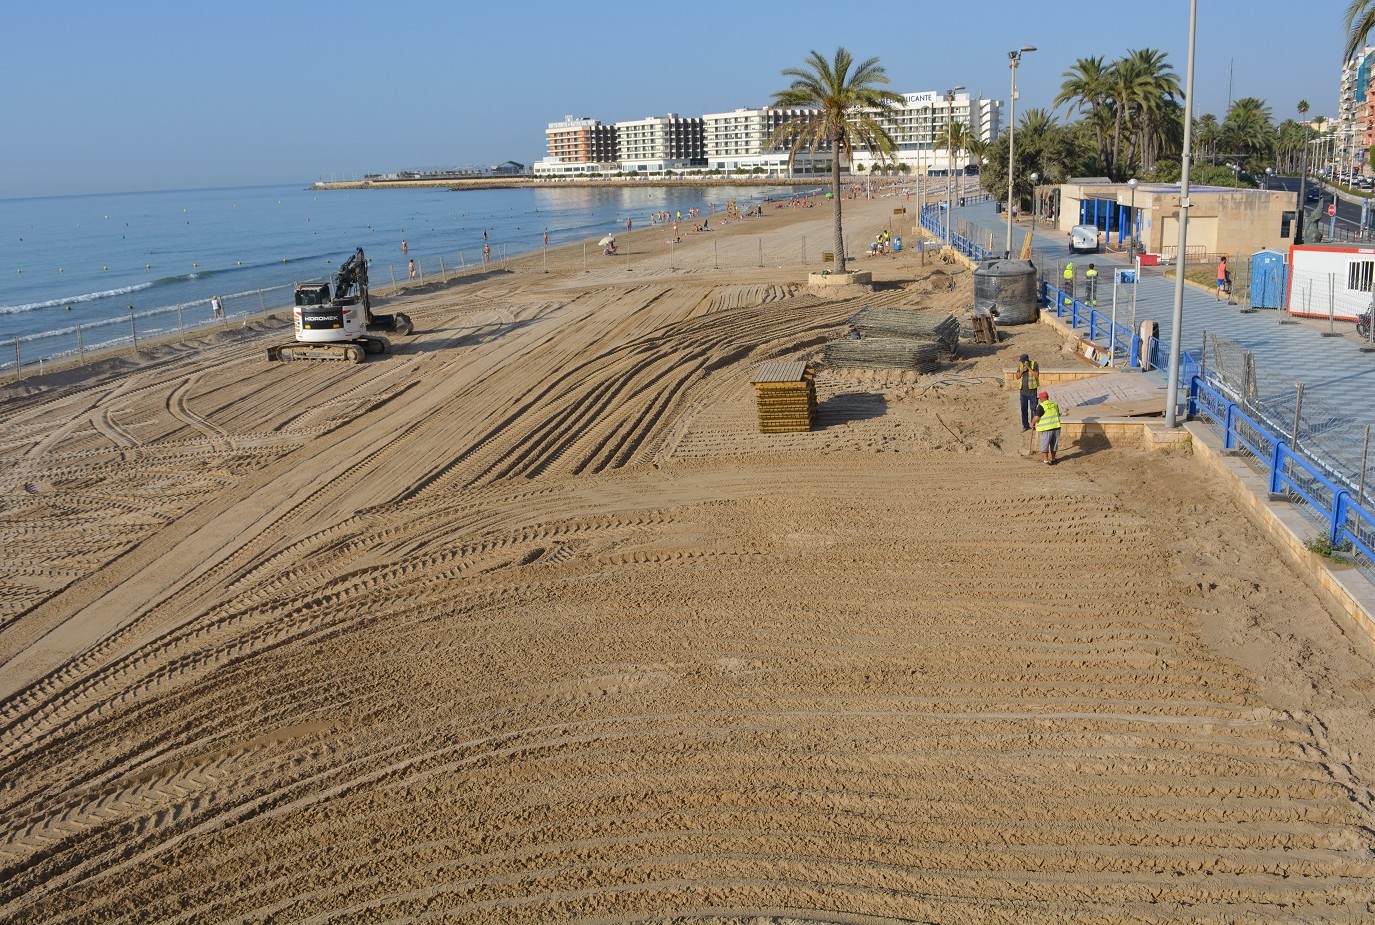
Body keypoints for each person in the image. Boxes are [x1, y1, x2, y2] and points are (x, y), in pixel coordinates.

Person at [1031, 389, 1061, 465]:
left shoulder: (1041, 406)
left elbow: (1037, 417)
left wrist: (1033, 422)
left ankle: (1046, 460)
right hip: (1056, 427)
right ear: (1047, 397)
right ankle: (1053, 459)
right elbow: (1058, 414)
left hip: (1047, 428)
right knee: (1054, 444)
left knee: (1045, 444)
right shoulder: (1054, 404)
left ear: (1041, 399)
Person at [1015, 353, 1040, 431]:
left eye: (1023, 361)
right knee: (1024, 409)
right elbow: (1017, 377)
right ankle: (1025, 425)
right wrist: (1022, 370)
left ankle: (1033, 425)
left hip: (1032, 391)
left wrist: (1028, 368)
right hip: (1023, 391)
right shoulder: (1021, 366)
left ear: (1026, 360)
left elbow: (1036, 375)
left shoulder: (1034, 364)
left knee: (1033, 409)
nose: (1022, 363)